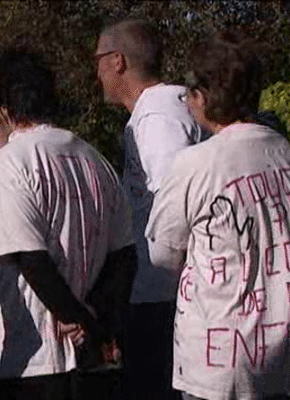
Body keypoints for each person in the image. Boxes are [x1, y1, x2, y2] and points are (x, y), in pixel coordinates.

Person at [145, 31, 290, 399]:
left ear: (202, 97)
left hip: (221, 355)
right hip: (283, 344)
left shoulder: (195, 164)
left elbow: (162, 253)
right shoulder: (284, 153)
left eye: (188, 95)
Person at [0, 48, 136, 400]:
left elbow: (29, 258)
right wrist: (97, 315)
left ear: (3, 108)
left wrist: (78, 316)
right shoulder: (94, 159)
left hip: (33, 358)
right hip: (91, 358)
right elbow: (124, 254)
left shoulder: (9, 163)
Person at [95, 19, 201, 399]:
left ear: (117, 61)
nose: (97, 73)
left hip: (163, 298)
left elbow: (178, 204)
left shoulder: (157, 118)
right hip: (162, 295)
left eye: (98, 60)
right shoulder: (161, 111)